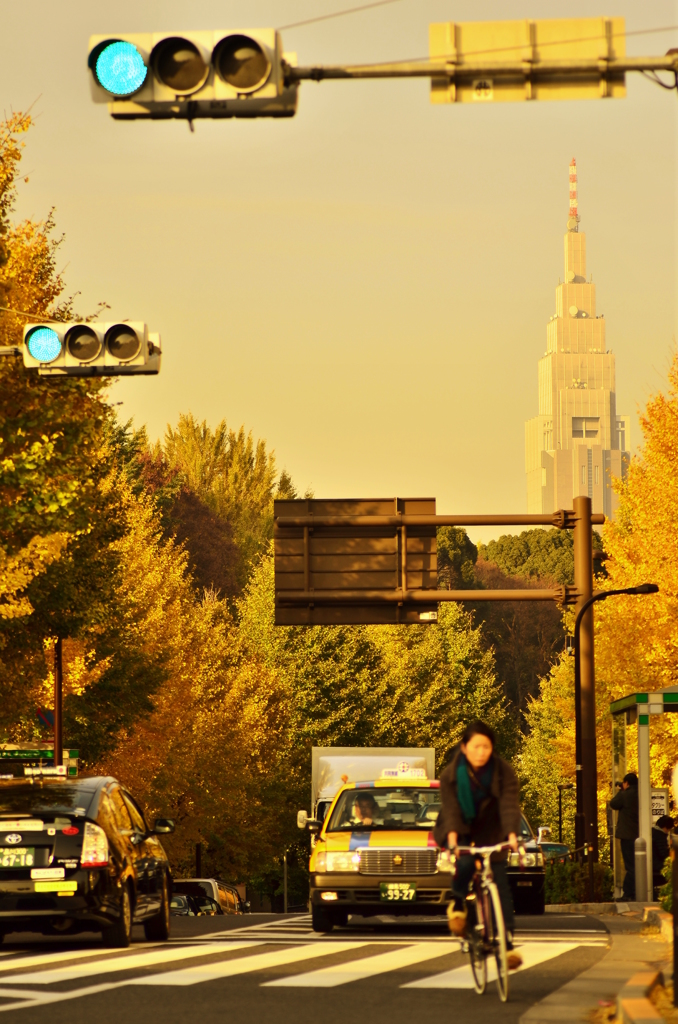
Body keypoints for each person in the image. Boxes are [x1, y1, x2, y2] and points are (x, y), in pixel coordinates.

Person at [433, 721, 522, 970]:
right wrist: (452, 839)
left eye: (487, 746)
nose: (482, 752)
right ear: (464, 747)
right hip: (459, 827)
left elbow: (508, 805)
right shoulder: (451, 775)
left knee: (501, 884)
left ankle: (508, 944)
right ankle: (459, 903)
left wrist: (512, 835)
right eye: (476, 746)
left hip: (491, 830)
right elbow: (451, 810)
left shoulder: (504, 771)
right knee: (464, 863)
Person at [609, 773, 639, 901]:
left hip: (627, 836)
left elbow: (613, 803)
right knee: (637, 864)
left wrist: (621, 790)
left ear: (626, 783)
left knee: (630, 865)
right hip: (639, 835)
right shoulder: (640, 793)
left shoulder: (625, 795)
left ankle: (628, 894)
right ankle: (638, 890)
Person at [651, 814, 674, 899]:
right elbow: (663, 854)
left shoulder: (653, 832)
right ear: (665, 827)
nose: (668, 831)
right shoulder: (659, 836)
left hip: (653, 864)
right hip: (657, 866)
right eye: (669, 829)